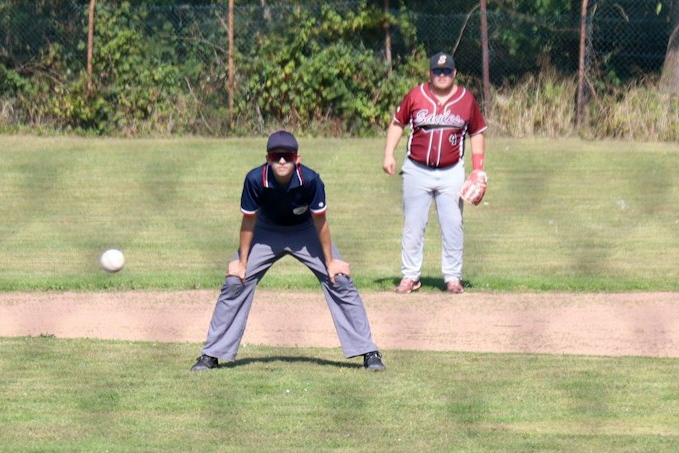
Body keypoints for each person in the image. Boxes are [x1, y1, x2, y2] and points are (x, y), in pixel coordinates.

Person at [191, 130, 384, 372]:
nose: (282, 161)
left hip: (306, 231)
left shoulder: (311, 180)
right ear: (267, 158)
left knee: (340, 280)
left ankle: (368, 351)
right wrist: (241, 262)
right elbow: (248, 222)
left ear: (297, 159)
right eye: (276, 156)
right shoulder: (254, 179)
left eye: (287, 156)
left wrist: (331, 261)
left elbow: (321, 222)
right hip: (265, 231)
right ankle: (211, 354)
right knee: (234, 281)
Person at [383, 51, 488, 295]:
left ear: (455, 74)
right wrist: (389, 153)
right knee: (413, 225)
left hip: (451, 171)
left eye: (447, 71)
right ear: (430, 73)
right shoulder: (415, 95)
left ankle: (452, 278)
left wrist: (478, 167)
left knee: (453, 225)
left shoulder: (466, 100)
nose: (442, 75)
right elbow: (398, 123)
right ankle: (410, 276)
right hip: (416, 169)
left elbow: (477, 132)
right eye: (437, 71)